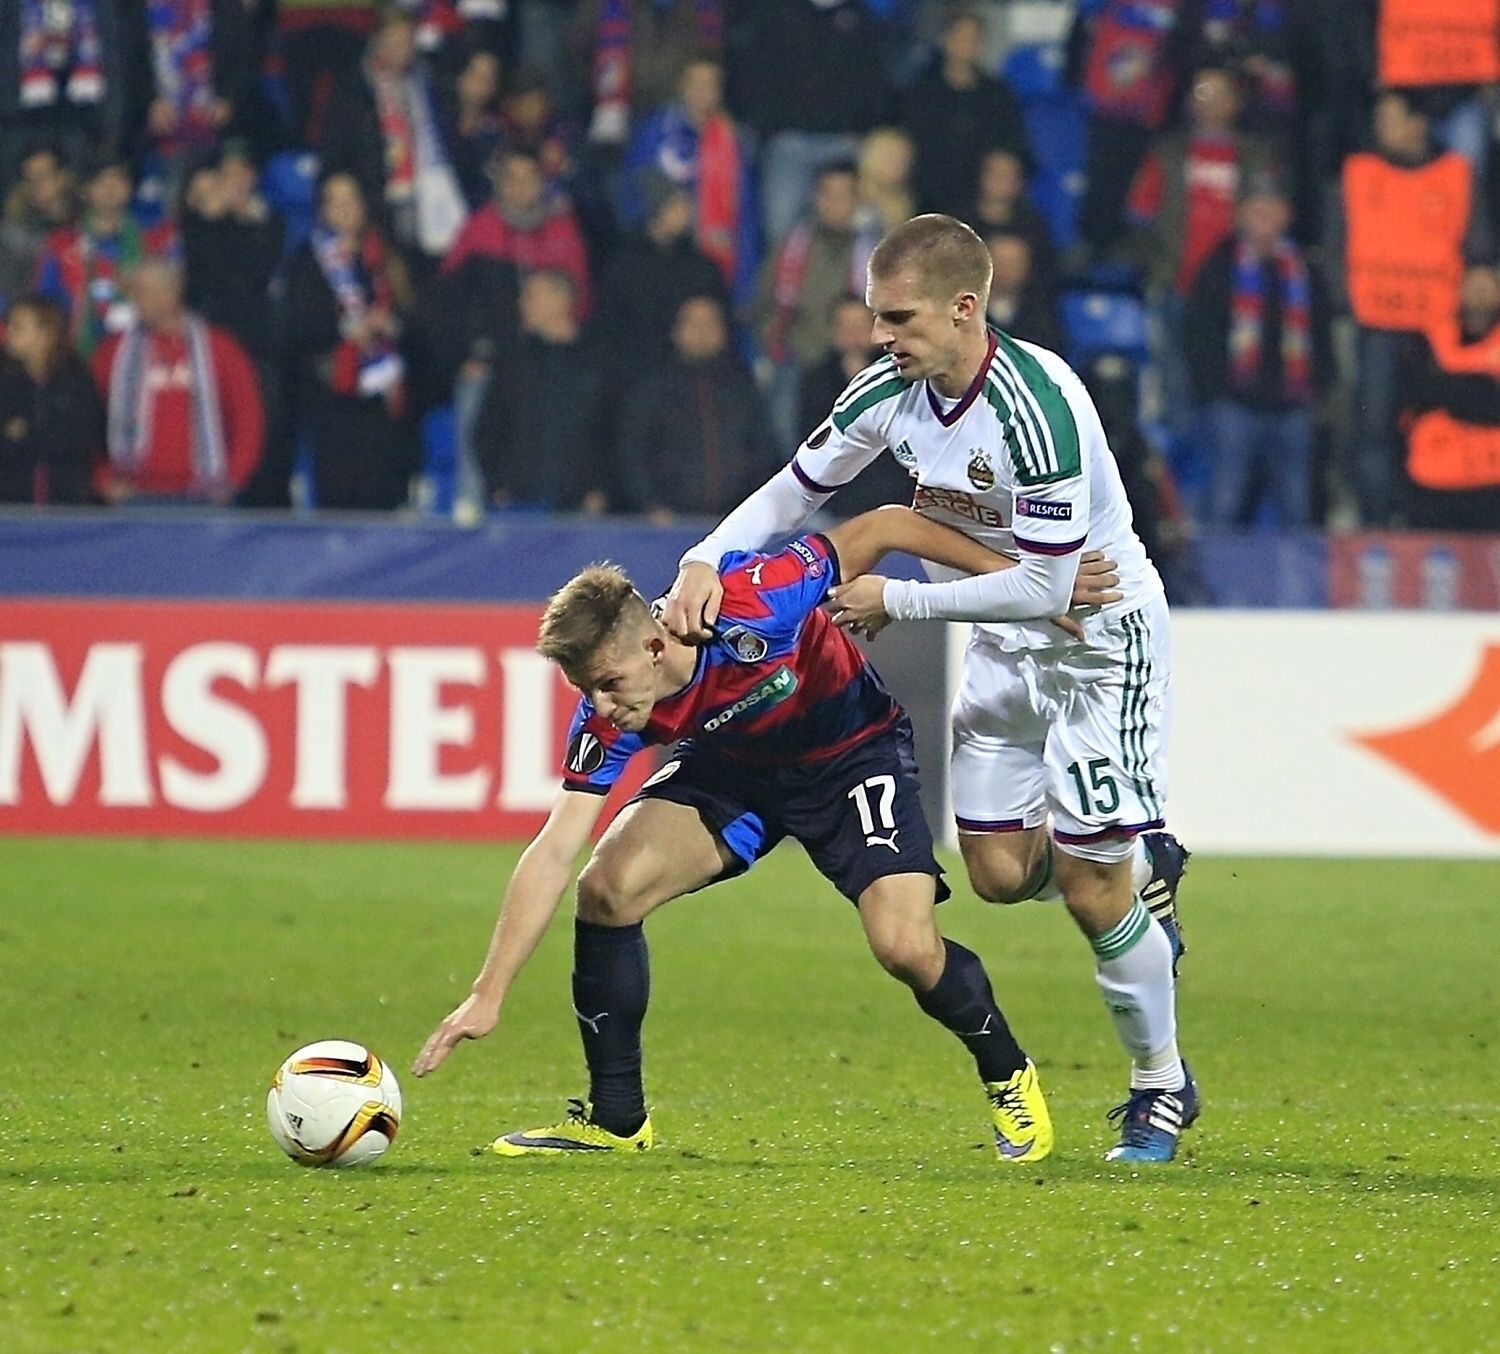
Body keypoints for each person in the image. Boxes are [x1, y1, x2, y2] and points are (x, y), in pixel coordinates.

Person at [666, 214, 1197, 1164]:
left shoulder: (1039, 405)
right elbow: (796, 490)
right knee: (997, 877)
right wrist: (706, 557)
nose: (882, 336)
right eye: (877, 316)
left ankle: (1159, 1086)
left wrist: (898, 601)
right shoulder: (890, 390)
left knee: (1085, 887)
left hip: (1096, 645)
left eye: (899, 318)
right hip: (999, 643)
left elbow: (1050, 585)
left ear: (964, 308)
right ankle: (1138, 867)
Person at [415, 503, 1122, 1158]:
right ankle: (616, 1120)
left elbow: (885, 525)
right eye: (585, 691)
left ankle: (1008, 1073)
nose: (600, 704)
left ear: (657, 647)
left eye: (608, 681)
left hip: (850, 754)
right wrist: (490, 991)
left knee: (905, 946)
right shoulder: (609, 712)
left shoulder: (753, 599)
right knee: (606, 888)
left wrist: (1031, 584)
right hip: (735, 771)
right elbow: (553, 851)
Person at [1185, 177, 1329, 528]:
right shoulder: (1219, 266)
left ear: (1287, 216)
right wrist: (1214, 392)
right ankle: (1215, 582)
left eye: (1272, 209)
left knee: (1297, 508)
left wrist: (1319, 389)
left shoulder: (1306, 270)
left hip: (1293, 406)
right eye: (1256, 209)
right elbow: (1197, 335)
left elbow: (1322, 335)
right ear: (1241, 215)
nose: (1264, 217)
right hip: (1235, 406)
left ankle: (1296, 583)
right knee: (1225, 502)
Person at [284, 172, 414, 511]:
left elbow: (416, 316)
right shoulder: (309, 258)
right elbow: (294, 323)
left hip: (384, 394)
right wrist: (345, 329)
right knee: (340, 489)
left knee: (383, 488)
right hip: (333, 394)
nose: (344, 209)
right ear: (322, 210)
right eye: (334, 201)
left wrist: (390, 325)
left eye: (350, 200)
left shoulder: (386, 255)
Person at [90, 258, 264, 504]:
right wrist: (103, 478)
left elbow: (248, 418)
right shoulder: (112, 352)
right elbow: (88, 418)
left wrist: (234, 479)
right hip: (132, 493)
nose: (134, 301)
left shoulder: (220, 348)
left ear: (169, 295)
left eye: (141, 292)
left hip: (205, 492)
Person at [616, 293, 778, 520]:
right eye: (693, 323)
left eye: (710, 323)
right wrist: (650, 505)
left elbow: (762, 449)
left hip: (733, 523)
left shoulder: (742, 385)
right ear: (676, 331)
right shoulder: (653, 388)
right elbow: (633, 452)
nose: (701, 332)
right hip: (668, 524)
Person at [901, 7, 1026, 219]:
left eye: (973, 39)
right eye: (960, 37)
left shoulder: (998, 95)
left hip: (980, 205)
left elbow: (1012, 146)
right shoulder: (919, 93)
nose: (966, 45)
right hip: (927, 200)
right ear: (944, 40)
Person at [0, 292, 103, 504]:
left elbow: (85, 438)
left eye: (18, 327)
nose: (8, 332)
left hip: (67, 506)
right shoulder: (5, 380)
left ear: (45, 334)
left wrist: (26, 432)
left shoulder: (76, 380)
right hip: (10, 507)